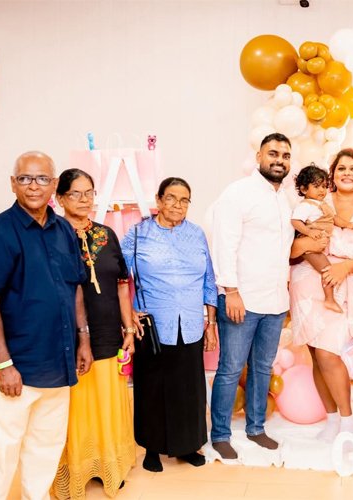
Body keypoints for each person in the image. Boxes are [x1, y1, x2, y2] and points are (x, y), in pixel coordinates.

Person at [0, 151, 92, 500]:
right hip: (16, 367)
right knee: (1, 450)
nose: (33, 186)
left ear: (54, 185)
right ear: (13, 184)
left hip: (59, 362)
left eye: (42, 179)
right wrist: (3, 365)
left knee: (46, 446)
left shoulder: (63, 230)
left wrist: (83, 340)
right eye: (25, 178)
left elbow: (75, 288)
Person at [210, 133, 325, 460]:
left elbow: (286, 249)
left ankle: (256, 427)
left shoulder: (286, 199)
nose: (279, 160)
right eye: (273, 153)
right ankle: (220, 434)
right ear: (259, 156)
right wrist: (230, 291)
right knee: (231, 368)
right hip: (241, 299)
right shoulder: (238, 193)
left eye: (285, 155)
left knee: (262, 367)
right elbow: (224, 243)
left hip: (275, 301)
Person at [290, 148, 353, 442]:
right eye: (341, 168)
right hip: (308, 281)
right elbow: (294, 246)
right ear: (332, 174)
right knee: (315, 352)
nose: (347, 173)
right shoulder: (318, 201)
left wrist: (344, 267)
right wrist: (304, 246)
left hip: (348, 284)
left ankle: (348, 422)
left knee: (328, 351)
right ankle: (332, 419)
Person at [120, 177, 218, 472]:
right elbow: (119, 278)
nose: (178, 204)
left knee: (189, 389)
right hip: (152, 325)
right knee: (152, 388)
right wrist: (128, 313)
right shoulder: (138, 234)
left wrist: (211, 323)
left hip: (190, 323)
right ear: (159, 200)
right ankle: (152, 448)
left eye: (184, 200)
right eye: (171, 198)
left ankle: (187, 445)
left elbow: (208, 280)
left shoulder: (196, 234)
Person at [51, 169, 136, 498]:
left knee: (108, 402)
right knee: (77, 407)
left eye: (89, 192)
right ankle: (77, 470)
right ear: (60, 198)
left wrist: (129, 328)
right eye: (75, 193)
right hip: (69, 338)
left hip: (109, 333)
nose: (84, 199)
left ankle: (107, 467)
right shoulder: (52, 236)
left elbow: (122, 286)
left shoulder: (106, 234)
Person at [292, 164, 353, 314]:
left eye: (324, 186)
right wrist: (308, 232)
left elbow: (334, 219)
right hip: (309, 246)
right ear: (304, 189)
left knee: (326, 269)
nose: (322, 190)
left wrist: (347, 224)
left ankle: (330, 298)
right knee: (327, 270)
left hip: (319, 242)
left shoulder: (323, 204)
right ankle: (329, 299)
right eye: (316, 186)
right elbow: (295, 221)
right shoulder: (305, 206)